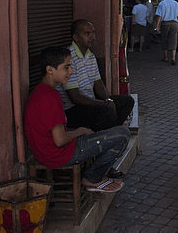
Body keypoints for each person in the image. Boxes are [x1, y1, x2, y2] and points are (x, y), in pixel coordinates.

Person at [25, 46, 130, 192]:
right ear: (50, 69)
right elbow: (60, 140)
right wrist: (80, 131)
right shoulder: (48, 97)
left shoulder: (44, 92)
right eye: (66, 67)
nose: (71, 71)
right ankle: (92, 178)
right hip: (57, 155)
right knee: (123, 135)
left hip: (50, 151)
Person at [58, 19, 135, 135]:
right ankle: (104, 137)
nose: (92, 37)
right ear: (76, 37)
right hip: (71, 110)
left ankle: (108, 133)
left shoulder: (90, 56)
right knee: (106, 110)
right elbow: (75, 97)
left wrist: (107, 99)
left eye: (93, 32)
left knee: (127, 101)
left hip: (89, 103)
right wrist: (103, 104)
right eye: (87, 34)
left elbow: (98, 83)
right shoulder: (69, 58)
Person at [154, 0, 178, 65]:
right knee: (174, 40)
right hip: (174, 23)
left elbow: (159, 16)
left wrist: (157, 26)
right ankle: (173, 57)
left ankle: (166, 57)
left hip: (165, 23)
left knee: (164, 39)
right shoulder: (175, 3)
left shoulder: (162, 4)